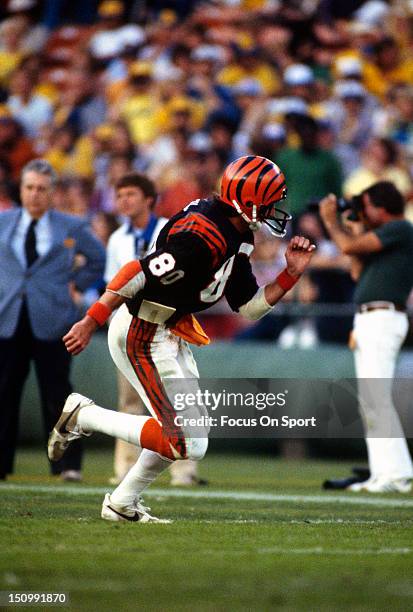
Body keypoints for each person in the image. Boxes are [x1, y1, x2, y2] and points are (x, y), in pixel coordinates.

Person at [48, 155, 316, 522]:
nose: (275, 209)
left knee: (192, 440)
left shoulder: (239, 233)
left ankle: (121, 504)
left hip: (168, 332)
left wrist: (289, 275)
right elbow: (136, 271)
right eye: (269, 201)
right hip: (140, 334)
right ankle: (85, 416)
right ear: (247, 200)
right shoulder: (203, 233)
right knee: (182, 440)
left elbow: (249, 308)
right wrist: (90, 320)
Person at [0, 158, 105, 481]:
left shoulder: (70, 227)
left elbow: (98, 259)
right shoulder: (3, 223)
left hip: (54, 320)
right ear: (21, 190)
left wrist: (77, 285)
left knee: (59, 395)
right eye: (29, 188)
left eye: (42, 189)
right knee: (3, 394)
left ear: (52, 192)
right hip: (8, 319)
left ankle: (68, 465)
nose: (35, 194)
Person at [105, 172, 201, 487]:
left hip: (165, 324)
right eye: (120, 195)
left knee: (177, 396)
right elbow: (112, 283)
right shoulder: (117, 239)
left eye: (131, 194)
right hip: (131, 324)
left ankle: (184, 470)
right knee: (130, 400)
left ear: (149, 199)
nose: (124, 201)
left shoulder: (170, 229)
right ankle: (124, 468)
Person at [319, 181, 413, 493]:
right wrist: (355, 228)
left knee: (376, 398)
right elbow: (357, 270)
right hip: (371, 317)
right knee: (371, 401)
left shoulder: (400, 228)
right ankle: (385, 474)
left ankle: (395, 474)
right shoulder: (384, 239)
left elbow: (346, 249)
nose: (364, 211)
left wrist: (331, 221)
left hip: (384, 316)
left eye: (367, 205)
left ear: (383, 207)